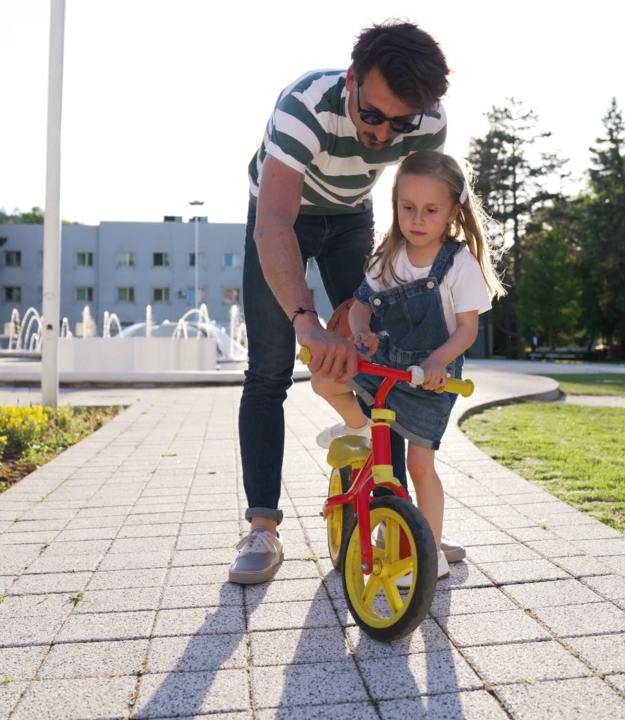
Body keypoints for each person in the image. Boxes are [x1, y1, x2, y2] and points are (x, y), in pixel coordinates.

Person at [230, 20, 451, 585]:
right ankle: (262, 528)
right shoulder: (306, 107)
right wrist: (307, 320)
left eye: (398, 124)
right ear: (352, 80)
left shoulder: (428, 123)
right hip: (282, 217)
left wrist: (374, 296)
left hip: (353, 217)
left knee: (387, 363)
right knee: (270, 369)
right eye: (371, 115)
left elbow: (419, 214)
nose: (381, 136)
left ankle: (395, 521)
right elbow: (273, 221)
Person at [310, 151, 503, 582]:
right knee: (324, 377)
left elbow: (467, 329)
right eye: (407, 208)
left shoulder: (458, 265)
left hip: (431, 379)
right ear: (395, 205)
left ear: (453, 212)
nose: (417, 219)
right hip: (386, 362)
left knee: (420, 466)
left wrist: (437, 361)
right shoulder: (388, 256)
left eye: (431, 210)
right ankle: (358, 425)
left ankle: (430, 550)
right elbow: (360, 305)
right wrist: (362, 333)